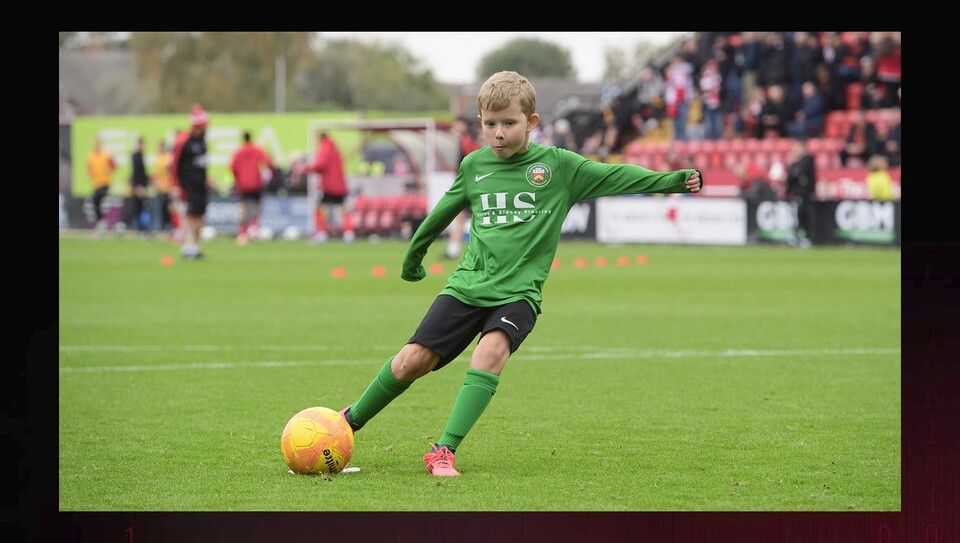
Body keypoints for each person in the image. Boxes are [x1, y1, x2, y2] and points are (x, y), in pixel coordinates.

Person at [335, 71, 703, 477]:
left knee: (489, 353)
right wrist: (413, 257)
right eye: (489, 124)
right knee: (411, 361)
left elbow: (615, 176)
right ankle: (347, 423)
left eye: (508, 123)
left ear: (531, 122)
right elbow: (443, 211)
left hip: (519, 294)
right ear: (480, 123)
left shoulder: (558, 167)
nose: (497, 133)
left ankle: (444, 451)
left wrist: (674, 181)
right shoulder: (474, 165)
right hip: (467, 286)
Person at [171, 104, 212, 260]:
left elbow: (202, 166)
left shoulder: (203, 143)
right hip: (188, 187)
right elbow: (175, 166)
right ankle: (188, 246)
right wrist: (176, 185)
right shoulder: (185, 142)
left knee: (200, 217)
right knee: (190, 216)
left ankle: (196, 246)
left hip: (201, 186)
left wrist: (207, 179)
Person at [299, 132, 354, 244]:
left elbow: (321, 165)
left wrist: (305, 169)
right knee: (343, 208)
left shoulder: (325, 148)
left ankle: (322, 233)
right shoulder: (335, 149)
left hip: (329, 185)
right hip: (339, 184)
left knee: (319, 208)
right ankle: (349, 233)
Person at [446, 117, 483, 259]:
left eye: (456, 124)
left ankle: (455, 250)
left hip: (470, 184)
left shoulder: (469, 139)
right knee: (462, 216)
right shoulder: (467, 137)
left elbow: (473, 159)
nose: (454, 127)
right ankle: (453, 250)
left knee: (470, 216)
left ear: (463, 124)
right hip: (469, 183)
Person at [230, 131, 274, 245]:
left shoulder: (238, 151)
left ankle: (242, 233)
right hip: (256, 183)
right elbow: (268, 163)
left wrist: (238, 178)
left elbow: (233, 167)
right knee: (257, 206)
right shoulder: (258, 150)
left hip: (243, 183)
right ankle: (253, 229)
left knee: (243, 207)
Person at [784, 138, 817, 248]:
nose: (795, 150)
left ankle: (806, 237)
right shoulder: (794, 164)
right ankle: (797, 235)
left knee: (804, 214)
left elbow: (801, 174)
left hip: (805, 193)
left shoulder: (808, 160)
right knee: (796, 215)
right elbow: (790, 178)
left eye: (797, 148)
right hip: (796, 194)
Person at [86, 137, 116, 236]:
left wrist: (109, 170)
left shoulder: (106, 154)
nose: (96, 145)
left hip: (105, 182)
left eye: (97, 143)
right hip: (96, 183)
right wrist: (90, 172)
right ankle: (101, 222)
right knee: (95, 202)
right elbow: (89, 169)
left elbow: (114, 166)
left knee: (97, 198)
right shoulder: (91, 156)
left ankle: (102, 223)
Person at [123, 137, 150, 238]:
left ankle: (141, 229)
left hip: (141, 185)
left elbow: (141, 173)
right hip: (138, 186)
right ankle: (138, 228)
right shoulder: (136, 156)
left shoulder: (141, 156)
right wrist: (138, 186)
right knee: (138, 207)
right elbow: (137, 172)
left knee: (140, 207)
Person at [151, 141, 177, 239]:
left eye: (160, 147)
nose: (159, 150)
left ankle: (172, 231)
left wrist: (163, 183)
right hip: (160, 190)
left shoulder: (168, 158)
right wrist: (154, 181)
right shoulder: (158, 158)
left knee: (170, 210)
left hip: (168, 189)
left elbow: (171, 174)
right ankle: (162, 231)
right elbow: (156, 173)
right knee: (161, 211)